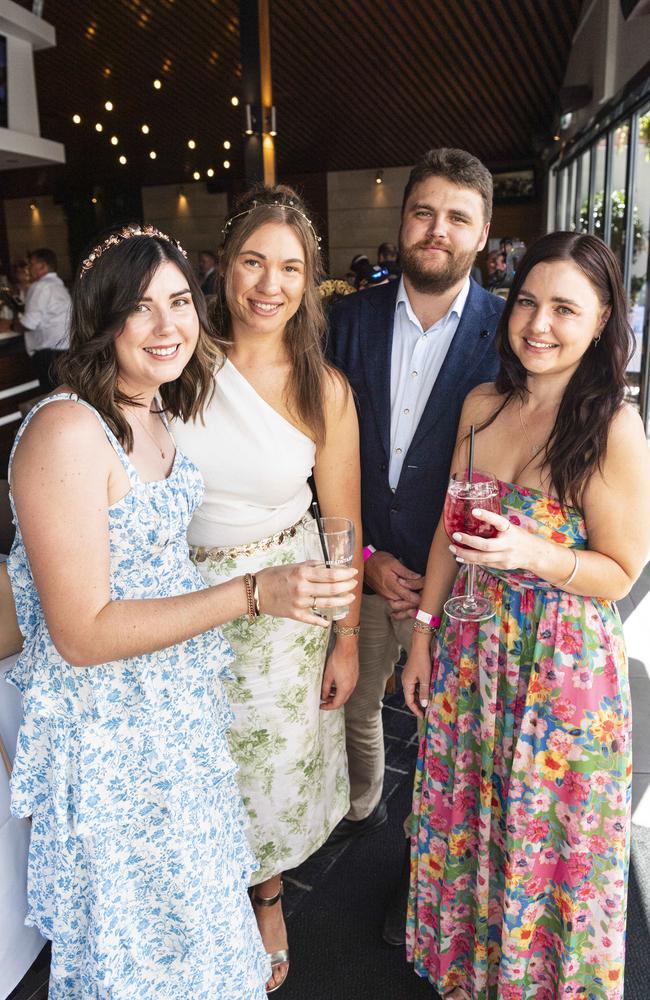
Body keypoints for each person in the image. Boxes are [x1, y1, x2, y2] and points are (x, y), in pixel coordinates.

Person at [6, 223, 357, 999]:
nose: (168, 326)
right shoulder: (68, 429)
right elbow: (83, 634)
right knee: (135, 937)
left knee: (197, 910)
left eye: (178, 302)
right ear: (102, 317)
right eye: (141, 308)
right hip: (108, 729)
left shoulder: (156, 413)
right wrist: (252, 592)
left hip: (173, 706)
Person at [403, 231, 650, 999]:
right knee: (469, 816)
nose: (539, 324)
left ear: (605, 318)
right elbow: (452, 524)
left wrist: (534, 555)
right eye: (528, 303)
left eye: (566, 309)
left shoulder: (612, 426)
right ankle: (476, 974)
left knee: (548, 838)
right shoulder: (483, 402)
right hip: (471, 652)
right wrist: (423, 635)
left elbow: (622, 572)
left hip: (561, 672)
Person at [172, 185, 362, 993]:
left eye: (290, 267)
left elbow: (344, 528)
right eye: (254, 261)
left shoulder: (325, 387)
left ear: (309, 279)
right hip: (179, 599)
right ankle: (191, 903)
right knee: (187, 766)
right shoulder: (176, 358)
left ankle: (266, 893)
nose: (269, 284)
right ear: (225, 266)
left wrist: (346, 636)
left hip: (287, 607)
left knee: (267, 772)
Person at [326, 148, 505, 904]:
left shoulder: (510, 332)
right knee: (355, 703)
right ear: (402, 222)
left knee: (447, 725)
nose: (438, 230)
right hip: (361, 566)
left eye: (457, 218)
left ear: (483, 232)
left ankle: (431, 853)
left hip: (458, 578)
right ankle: (360, 808)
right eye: (424, 213)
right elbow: (317, 452)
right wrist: (364, 555)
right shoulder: (345, 320)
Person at [16, 248, 71, 391]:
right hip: (65, 351)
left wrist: (11, 326)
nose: (29, 268)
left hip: (49, 355)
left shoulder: (41, 286)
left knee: (51, 395)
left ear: (42, 266)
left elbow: (29, 323)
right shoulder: (58, 286)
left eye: (31, 264)